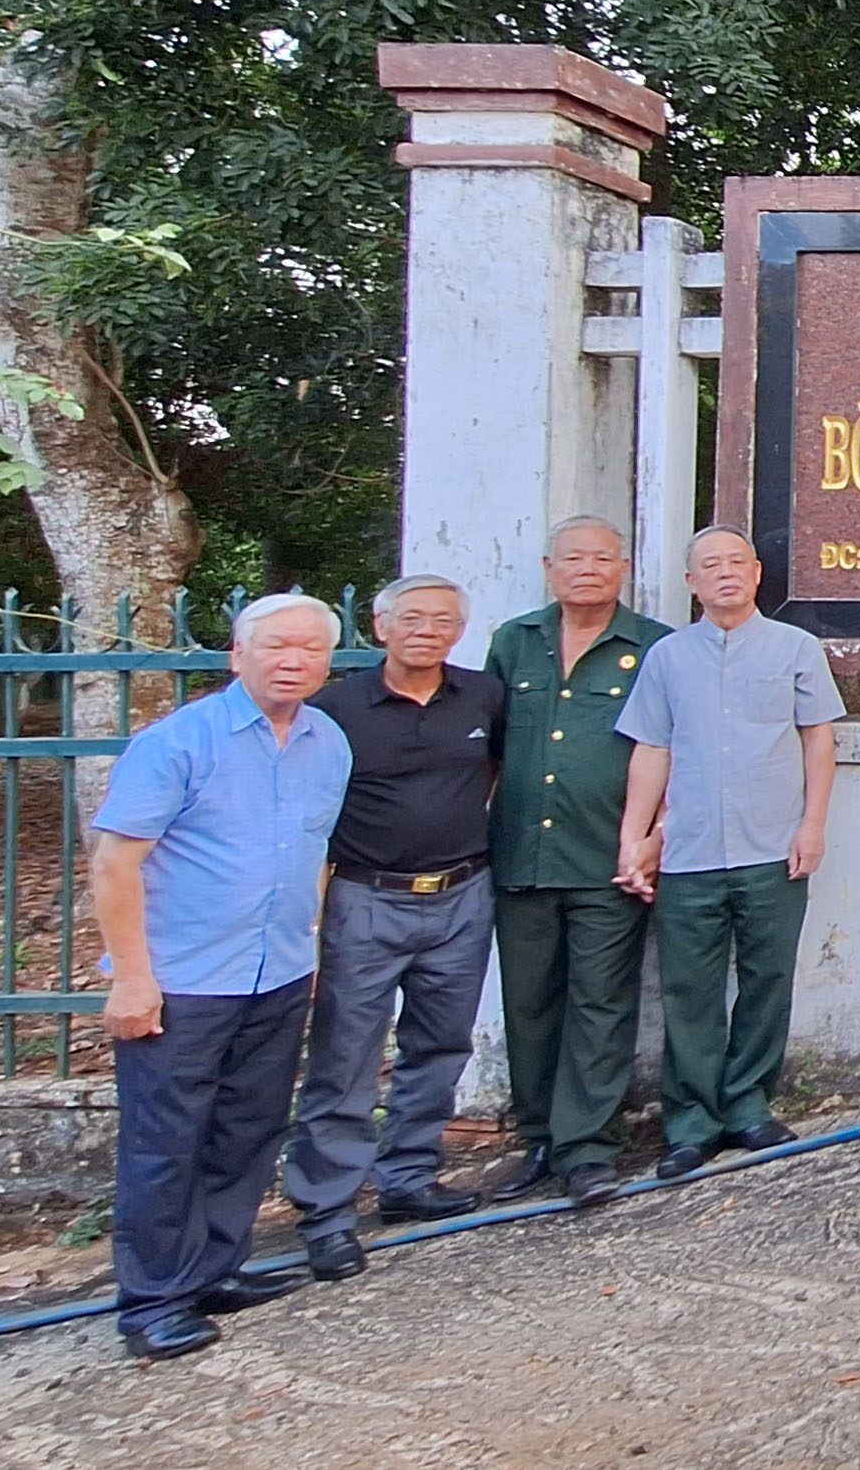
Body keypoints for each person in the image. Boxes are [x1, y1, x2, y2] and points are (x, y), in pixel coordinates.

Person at [90, 593, 353, 1361]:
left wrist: (302, 948)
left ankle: (212, 1271)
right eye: (274, 647)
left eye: (308, 649)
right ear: (237, 654)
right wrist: (132, 979)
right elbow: (115, 862)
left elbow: (314, 856)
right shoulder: (178, 743)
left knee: (247, 1130)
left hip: (275, 972)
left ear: (327, 661)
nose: (291, 661)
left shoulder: (326, 742)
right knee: (165, 1142)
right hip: (183, 981)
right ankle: (152, 1302)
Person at [284, 576, 506, 1282]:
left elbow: (493, 772)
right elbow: (308, 812)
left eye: (443, 621)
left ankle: (410, 1177)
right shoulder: (336, 707)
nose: (427, 630)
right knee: (345, 1058)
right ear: (382, 627)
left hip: (461, 893)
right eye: (412, 618)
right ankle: (327, 1210)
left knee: (439, 1045)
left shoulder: (482, 697)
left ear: (458, 632)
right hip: (365, 898)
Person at [616, 526, 845, 1177]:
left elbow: (818, 742)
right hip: (688, 853)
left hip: (772, 846)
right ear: (692, 583)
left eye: (736, 563)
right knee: (689, 990)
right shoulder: (667, 658)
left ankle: (748, 1106)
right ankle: (689, 1122)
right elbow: (652, 748)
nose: (724, 574)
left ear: (757, 573)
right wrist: (635, 837)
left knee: (767, 980)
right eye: (709, 566)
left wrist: (813, 826)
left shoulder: (795, 649)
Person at [484, 517, 672, 1207]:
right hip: (523, 854)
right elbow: (492, 748)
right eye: (573, 558)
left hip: (607, 857)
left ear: (623, 569)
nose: (587, 569)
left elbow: (674, 749)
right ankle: (537, 1138)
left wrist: (654, 835)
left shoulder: (654, 647)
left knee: (600, 1002)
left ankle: (587, 1147)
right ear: (548, 568)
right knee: (530, 1003)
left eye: (601, 558)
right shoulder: (515, 643)